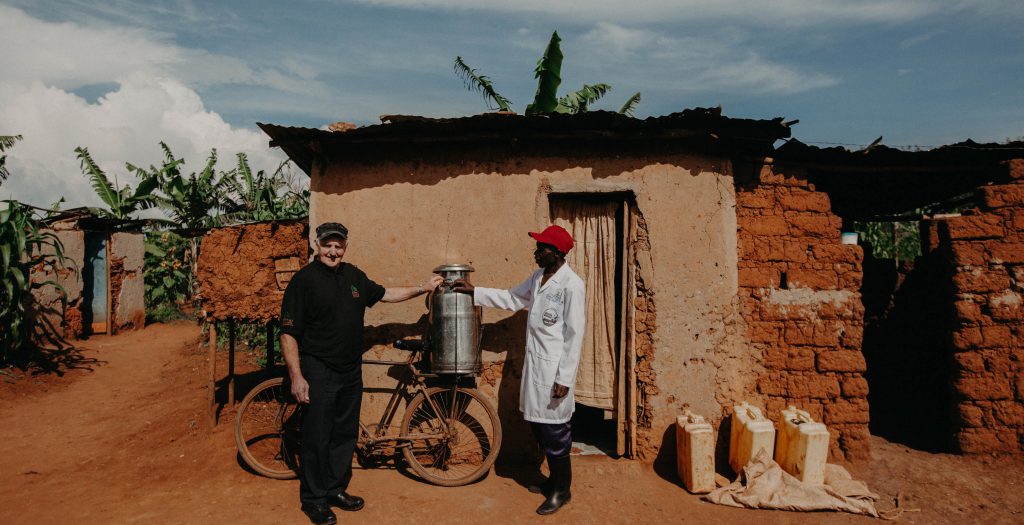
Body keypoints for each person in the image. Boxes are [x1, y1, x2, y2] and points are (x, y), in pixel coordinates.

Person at [279, 222, 443, 525]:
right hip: (318, 368)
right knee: (317, 436)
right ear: (316, 245)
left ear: (345, 247)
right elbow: (288, 333)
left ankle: (334, 489)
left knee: (344, 434)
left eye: (338, 245)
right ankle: (313, 500)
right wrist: (297, 376)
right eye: (327, 244)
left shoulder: (354, 276)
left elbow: (387, 294)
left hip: (349, 369)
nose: (332, 251)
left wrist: (423, 287)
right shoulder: (303, 281)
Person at [452, 224, 585, 516]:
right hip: (536, 365)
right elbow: (512, 298)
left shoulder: (571, 285)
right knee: (539, 425)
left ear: (558, 252)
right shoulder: (539, 277)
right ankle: (553, 482)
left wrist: (564, 378)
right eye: (537, 247)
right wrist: (475, 292)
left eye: (542, 248)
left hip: (554, 372)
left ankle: (562, 491)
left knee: (556, 431)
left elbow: (574, 336)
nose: (536, 253)